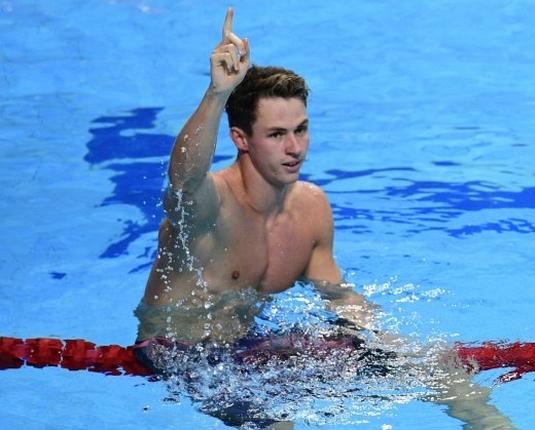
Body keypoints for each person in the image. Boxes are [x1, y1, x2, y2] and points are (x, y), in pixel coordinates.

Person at [134, 8, 515, 429]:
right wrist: (215, 95)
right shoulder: (212, 206)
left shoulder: (310, 207)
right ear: (241, 138)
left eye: (301, 129)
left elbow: (339, 295)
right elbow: (183, 179)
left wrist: (389, 343)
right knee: (280, 421)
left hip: (250, 347)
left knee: (438, 367)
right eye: (277, 135)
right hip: (180, 350)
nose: (295, 147)